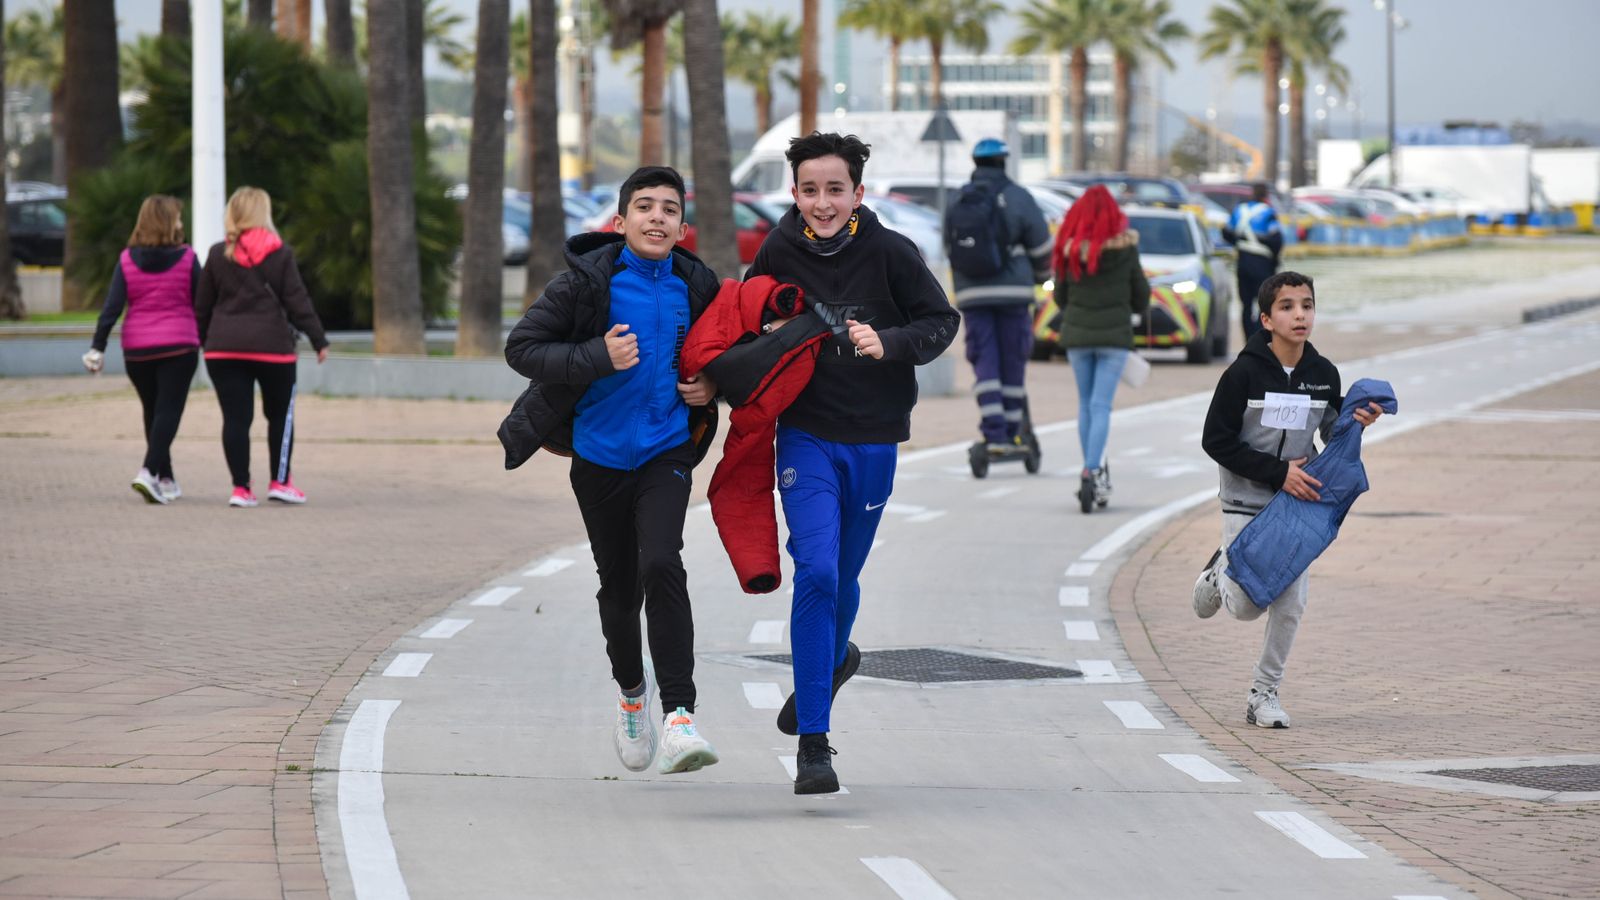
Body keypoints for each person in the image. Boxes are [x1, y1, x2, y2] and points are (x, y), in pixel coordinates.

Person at [746, 132, 959, 794]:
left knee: (841, 576)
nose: (822, 202)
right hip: (804, 433)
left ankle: (834, 660)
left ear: (858, 193)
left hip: (873, 440)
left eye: (835, 189)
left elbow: (940, 322)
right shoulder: (777, 252)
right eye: (809, 189)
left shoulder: (893, 253)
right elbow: (745, 323)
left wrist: (889, 341)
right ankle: (816, 744)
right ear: (795, 192)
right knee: (814, 570)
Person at [502, 166, 723, 776]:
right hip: (598, 458)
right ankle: (632, 696)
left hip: (666, 451)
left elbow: (729, 356)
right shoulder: (586, 286)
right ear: (620, 222)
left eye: (670, 209)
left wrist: (712, 385)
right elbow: (521, 348)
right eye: (645, 207)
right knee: (620, 591)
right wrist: (597, 356)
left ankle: (680, 717)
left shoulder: (698, 289)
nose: (658, 217)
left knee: (662, 562)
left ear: (683, 227)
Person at [1191, 271, 1383, 728]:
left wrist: (1357, 422)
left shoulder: (1322, 375)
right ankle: (1221, 570)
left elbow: (1330, 435)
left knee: (1291, 603)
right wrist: (1278, 472)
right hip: (1244, 502)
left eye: (1307, 305)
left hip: (1297, 507)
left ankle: (1264, 694)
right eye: (1287, 307)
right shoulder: (1242, 374)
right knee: (1244, 607)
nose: (1300, 315)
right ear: (1266, 319)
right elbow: (1215, 441)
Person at [194, 187, 329, 508]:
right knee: (281, 416)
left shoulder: (216, 254)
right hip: (273, 349)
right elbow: (298, 301)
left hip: (223, 350)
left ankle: (241, 489)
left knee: (235, 419)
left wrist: (203, 342)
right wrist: (318, 339)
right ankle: (280, 482)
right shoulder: (280, 253)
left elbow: (202, 307)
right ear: (262, 213)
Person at [82, 196, 203, 504]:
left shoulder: (126, 259)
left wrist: (98, 346)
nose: (180, 223)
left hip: (137, 350)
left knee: (154, 411)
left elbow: (112, 307)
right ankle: (148, 471)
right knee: (168, 411)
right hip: (179, 346)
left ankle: (166, 479)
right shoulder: (188, 258)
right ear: (166, 222)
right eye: (177, 218)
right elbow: (202, 305)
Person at [944, 137, 1053, 455]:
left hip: (972, 294)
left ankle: (993, 433)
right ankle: (1013, 429)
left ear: (975, 164)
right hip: (1015, 293)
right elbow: (1042, 244)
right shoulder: (1018, 197)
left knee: (985, 360)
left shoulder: (957, 199)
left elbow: (950, 247)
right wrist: (1041, 278)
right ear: (1003, 162)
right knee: (1012, 360)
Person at [1050, 185, 1149, 514]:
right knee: (1101, 405)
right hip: (1114, 337)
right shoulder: (1127, 249)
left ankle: (1089, 469)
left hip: (1077, 335)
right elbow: (1141, 294)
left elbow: (1060, 296)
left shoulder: (1069, 250)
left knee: (1085, 404)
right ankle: (1093, 470)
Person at [1220, 183, 1283, 341]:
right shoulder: (1269, 213)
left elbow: (1226, 232)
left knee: (1246, 305)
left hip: (1243, 262)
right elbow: (1276, 240)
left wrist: (1239, 243)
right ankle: (1261, 338)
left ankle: (1249, 340)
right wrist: (1275, 261)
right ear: (1266, 196)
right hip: (1263, 264)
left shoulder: (1240, 211)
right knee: (1265, 304)